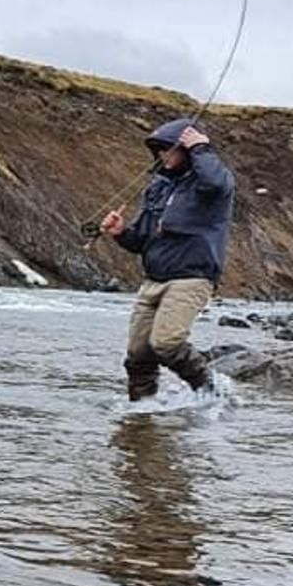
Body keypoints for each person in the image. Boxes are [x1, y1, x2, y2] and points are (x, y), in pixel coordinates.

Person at [99, 118, 236, 400]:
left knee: (167, 343)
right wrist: (120, 232)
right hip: (153, 280)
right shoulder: (158, 187)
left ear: (186, 150)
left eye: (168, 149)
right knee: (138, 354)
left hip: (192, 277)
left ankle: (211, 391)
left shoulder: (212, 187)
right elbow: (140, 240)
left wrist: (201, 148)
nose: (162, 155)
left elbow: (215, 181)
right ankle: (142, 411)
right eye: (158, 150)